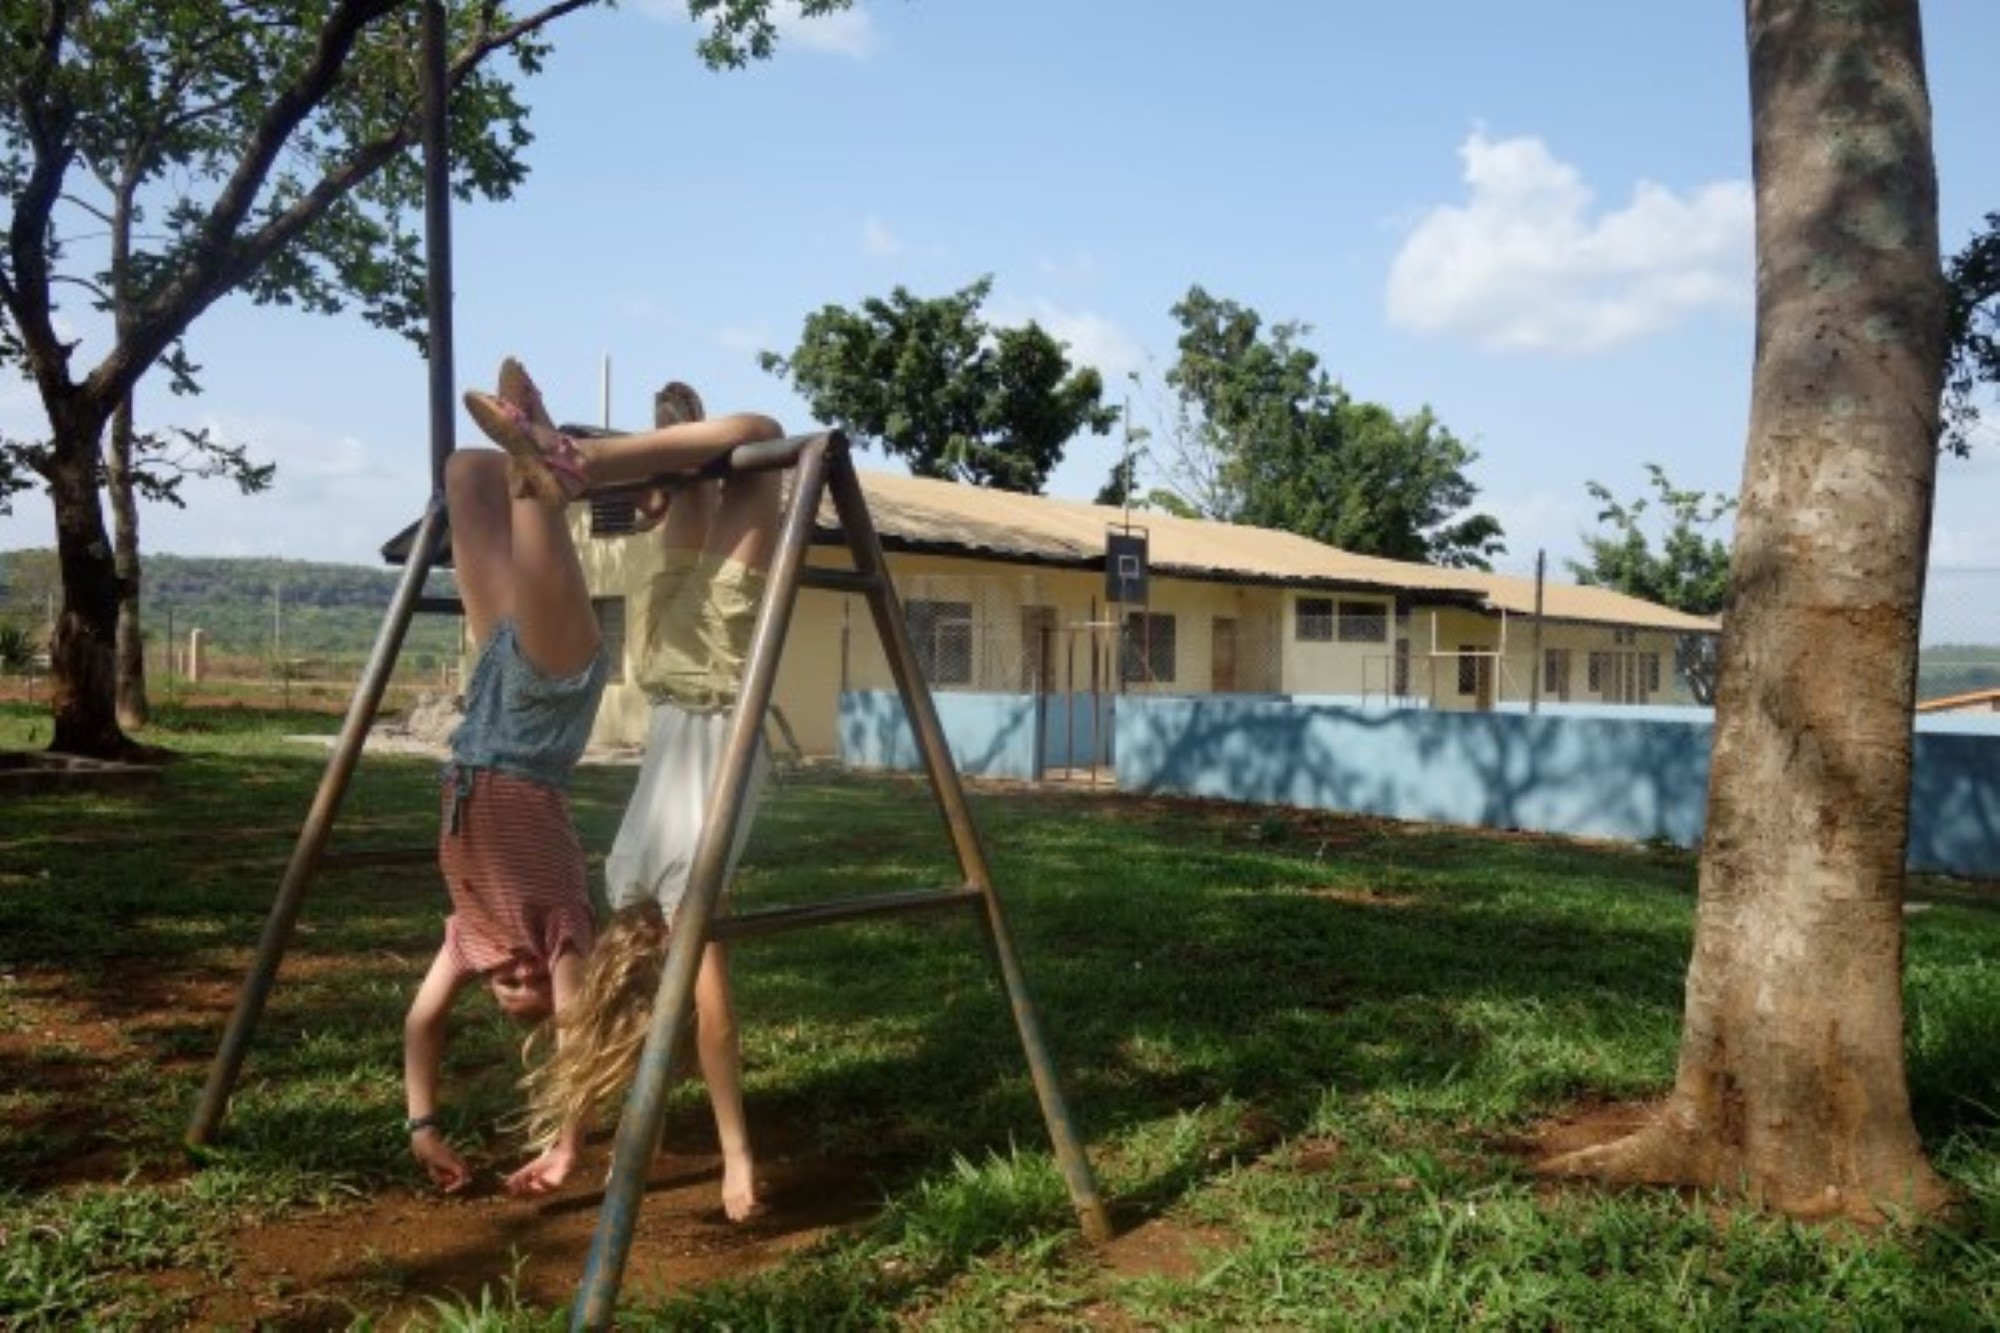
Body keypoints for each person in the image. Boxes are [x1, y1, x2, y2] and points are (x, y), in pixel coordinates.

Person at [500, 370, 787, 1223]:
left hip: (715, 675)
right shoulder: (620, 879)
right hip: (661, 669)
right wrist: (564, 1138)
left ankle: (580, 458)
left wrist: (738, 1157)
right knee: (705, 477)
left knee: (764, 437)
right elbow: (582, 1026)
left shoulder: (686, 896)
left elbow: (718, 1031)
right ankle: (664, 460)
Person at [402, 358, 612, 1197]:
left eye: (508, 985)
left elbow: (422, 1021)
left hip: (487, 707)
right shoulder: (562, 927)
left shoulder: (468, 938)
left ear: (487, 987)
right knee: (530, 496)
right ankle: (547, 456)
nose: (520, 974)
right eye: (531, 983)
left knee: (465, 471)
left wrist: (424, 1127)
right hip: (541, 720)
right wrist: (569, 1145)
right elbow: (579, 1032)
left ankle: (534, 445)